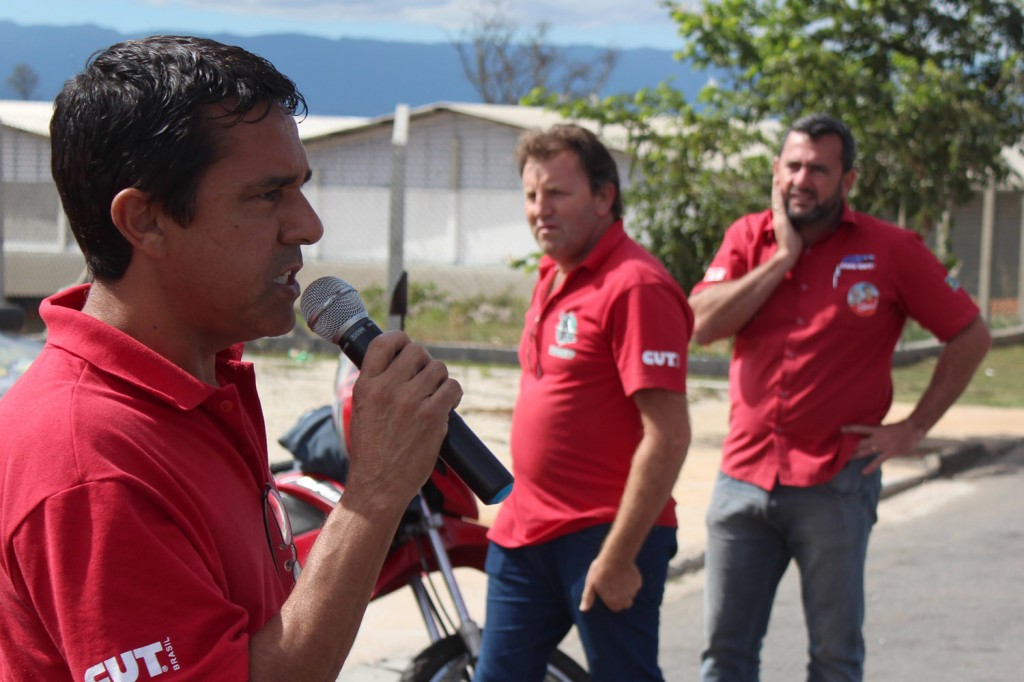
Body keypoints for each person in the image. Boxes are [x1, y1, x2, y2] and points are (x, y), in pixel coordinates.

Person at [0, 36, 462, 681]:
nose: (308, 225)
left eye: (300, 188)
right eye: (267, 195)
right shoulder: (91, 463)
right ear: (146, 221)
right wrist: (374, 496)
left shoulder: (194, 382)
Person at [690, 113, 991, 681]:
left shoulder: (891, 249)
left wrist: (914, 428)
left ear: (847, 181)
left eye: (819, 170)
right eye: (794, 166)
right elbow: (701, 322)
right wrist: (781, 258)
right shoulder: (747, 238)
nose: (803, 179)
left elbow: (971, 335)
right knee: (724, 656)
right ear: (776, 170)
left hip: (836, 484)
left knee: (834, 658)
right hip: (743, 479)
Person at [473, 124, 693, 681]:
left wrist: (619, 557)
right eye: (531, 195)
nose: (539, 209)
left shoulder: (636, 285)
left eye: (557, 193)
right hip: (525, 532)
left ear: (603, 197)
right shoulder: (552, 272)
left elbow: (667, 435)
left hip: (605, 535)